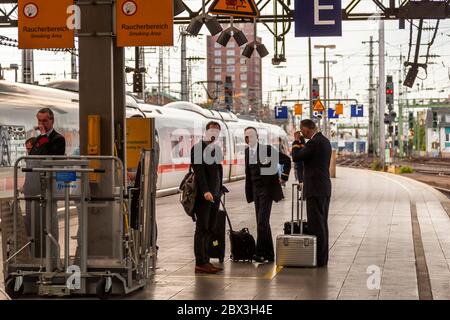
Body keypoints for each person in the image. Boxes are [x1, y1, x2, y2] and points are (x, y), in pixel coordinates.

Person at [24, 108, 65, 268]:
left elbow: (49, 157)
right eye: (39, 121)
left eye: (44, 121)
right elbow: (32, 158)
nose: (41, 124)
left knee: (49, 227)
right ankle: (36, 259)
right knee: (33, 228)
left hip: (48, 191)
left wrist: (42, 136)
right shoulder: (38, 139)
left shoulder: (58, 139)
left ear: (52, 121)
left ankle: (52, 261)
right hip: (32, 191)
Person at [244, 127, 291, 263]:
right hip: (255, 191)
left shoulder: (267, 150)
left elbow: (286, 160)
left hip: (267, 190)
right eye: (246, 137)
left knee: (261, 222)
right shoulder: (247, 152)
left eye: (251, 136)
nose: (248, 139)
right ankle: (269, 254)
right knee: (263, 223)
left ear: (257, 136)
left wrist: (284, 177)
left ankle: (259, 253)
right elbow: (248, 174)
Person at [291, 119, 332, 267]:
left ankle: (320, 260)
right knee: (322, 224)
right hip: (322, 188)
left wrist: (296, 141)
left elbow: (296, 156)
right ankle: (322, 257)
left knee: (316, 225)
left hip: (315, 189)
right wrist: (302, 143)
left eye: (302, 132)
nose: (302, 134)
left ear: (307, 130)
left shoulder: (315, 142)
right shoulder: (324, 141)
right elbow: (306, 154)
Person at [190, 121, 224, 274]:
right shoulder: (198, 148)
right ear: (206, 131)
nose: (214, 133)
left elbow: (216, 172)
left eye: (217, 131)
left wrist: (220, 188)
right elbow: (199, 172)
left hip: (215, 195)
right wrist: (205, 191)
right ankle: (200, 262)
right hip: (204, 196)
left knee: (210, 228)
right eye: (212, 130)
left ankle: (206, 259)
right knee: (202, 228)